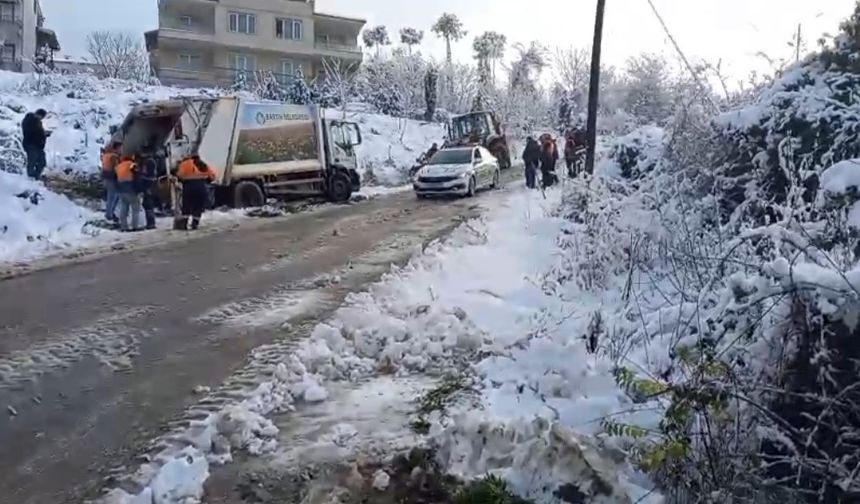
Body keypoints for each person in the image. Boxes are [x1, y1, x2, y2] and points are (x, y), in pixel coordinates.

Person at [174, 154, 216, 230]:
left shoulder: (185, 164)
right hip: (201, 187)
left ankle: (184, 224)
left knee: (186, 206)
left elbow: (179, 175)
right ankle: (195, 224)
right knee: (198, 206)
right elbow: (212, 176)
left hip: (189, 187)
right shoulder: (202, 164)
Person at [21, 109, 50, 180]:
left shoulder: (37, 122)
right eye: (42, 116)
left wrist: (44, 134)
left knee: (42, 162)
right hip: (31, 144)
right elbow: (31, 131)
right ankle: (30, 178)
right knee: (32, 161)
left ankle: (36, 176)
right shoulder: (29, 120)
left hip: (38, 145)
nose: (42, 118)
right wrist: (42, 133)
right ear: (38, 114)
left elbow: (38, 132)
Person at [115, 155, 142, 232]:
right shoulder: (132, 164)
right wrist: (139, 189)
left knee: (123, 209)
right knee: (135, 208)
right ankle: (135, 226)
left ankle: (124, 227)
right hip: (131, 189)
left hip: (121, 190)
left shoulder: (118, 166)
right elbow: (137, 175)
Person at [101, 143, 121, 223]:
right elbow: (116, 169)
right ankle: (109, 215)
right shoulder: (114, 157)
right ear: (116, 148)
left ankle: (110, 214)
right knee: (113, 198)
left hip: (106, 178)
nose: (121, 150)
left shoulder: (106, 155)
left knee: (112, 197)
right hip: (112, 179)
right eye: (120, 148)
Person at [138, 157, 159, 230]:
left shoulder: (146, 176)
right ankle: (151, 223)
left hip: (148, 191)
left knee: (148, 207)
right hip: (150, 191)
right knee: (149, 207)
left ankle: (150, 224)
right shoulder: (153, 175)